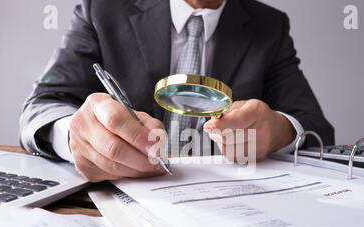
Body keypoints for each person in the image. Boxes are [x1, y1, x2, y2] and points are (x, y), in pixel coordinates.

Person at [19, 0, 334, 182]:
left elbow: (315, 125)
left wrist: (280, 130)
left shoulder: (270, 25)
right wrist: (76, 137)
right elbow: (44, 104)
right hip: (117, 198)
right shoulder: (102, 8)